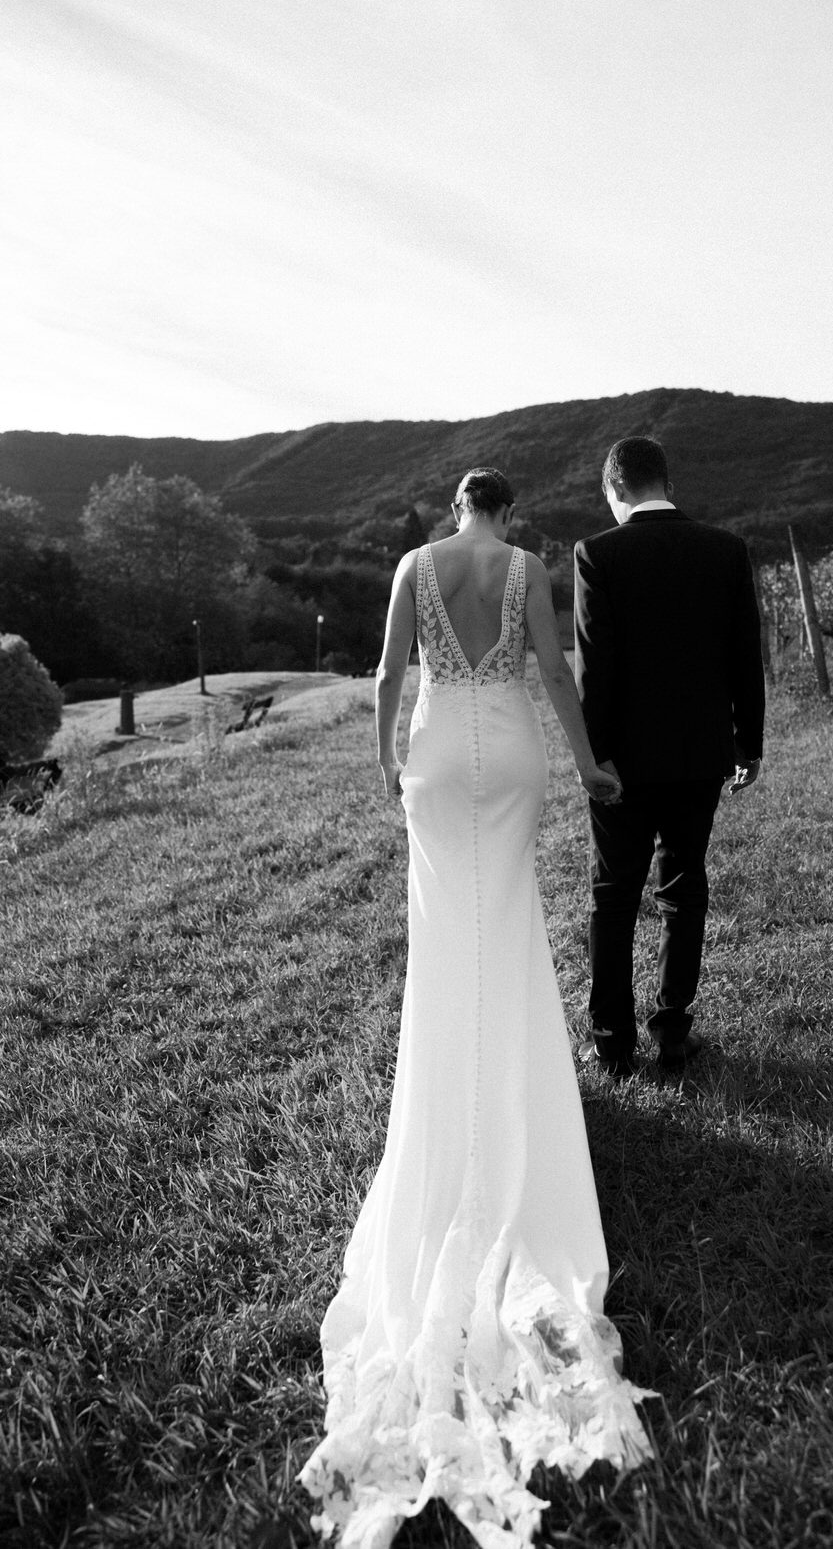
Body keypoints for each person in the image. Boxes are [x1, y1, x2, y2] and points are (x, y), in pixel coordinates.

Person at [300, 469, 651, 1548]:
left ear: (457, 507)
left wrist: (384, 759)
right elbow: (554, 670)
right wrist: (591, 765)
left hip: (442, 751)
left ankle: (455, 1073)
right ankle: (516, 1081)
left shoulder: (415, 565)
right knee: (510, 920)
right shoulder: (531, 568)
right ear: (507, 510)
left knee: (446, 937)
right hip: (516, 756)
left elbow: (388, 674)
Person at [574, 436, 766, 1079]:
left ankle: (611, 1041)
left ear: (616, 489)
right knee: (684, 889)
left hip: (622, 762)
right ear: (666, 481)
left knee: (614, 892)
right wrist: (749, 741)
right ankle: (674, 1032)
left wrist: (594, 757)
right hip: (700, 753)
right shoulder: (726, 550)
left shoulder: (598, 553)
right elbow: (746, 656)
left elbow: (594, 669)